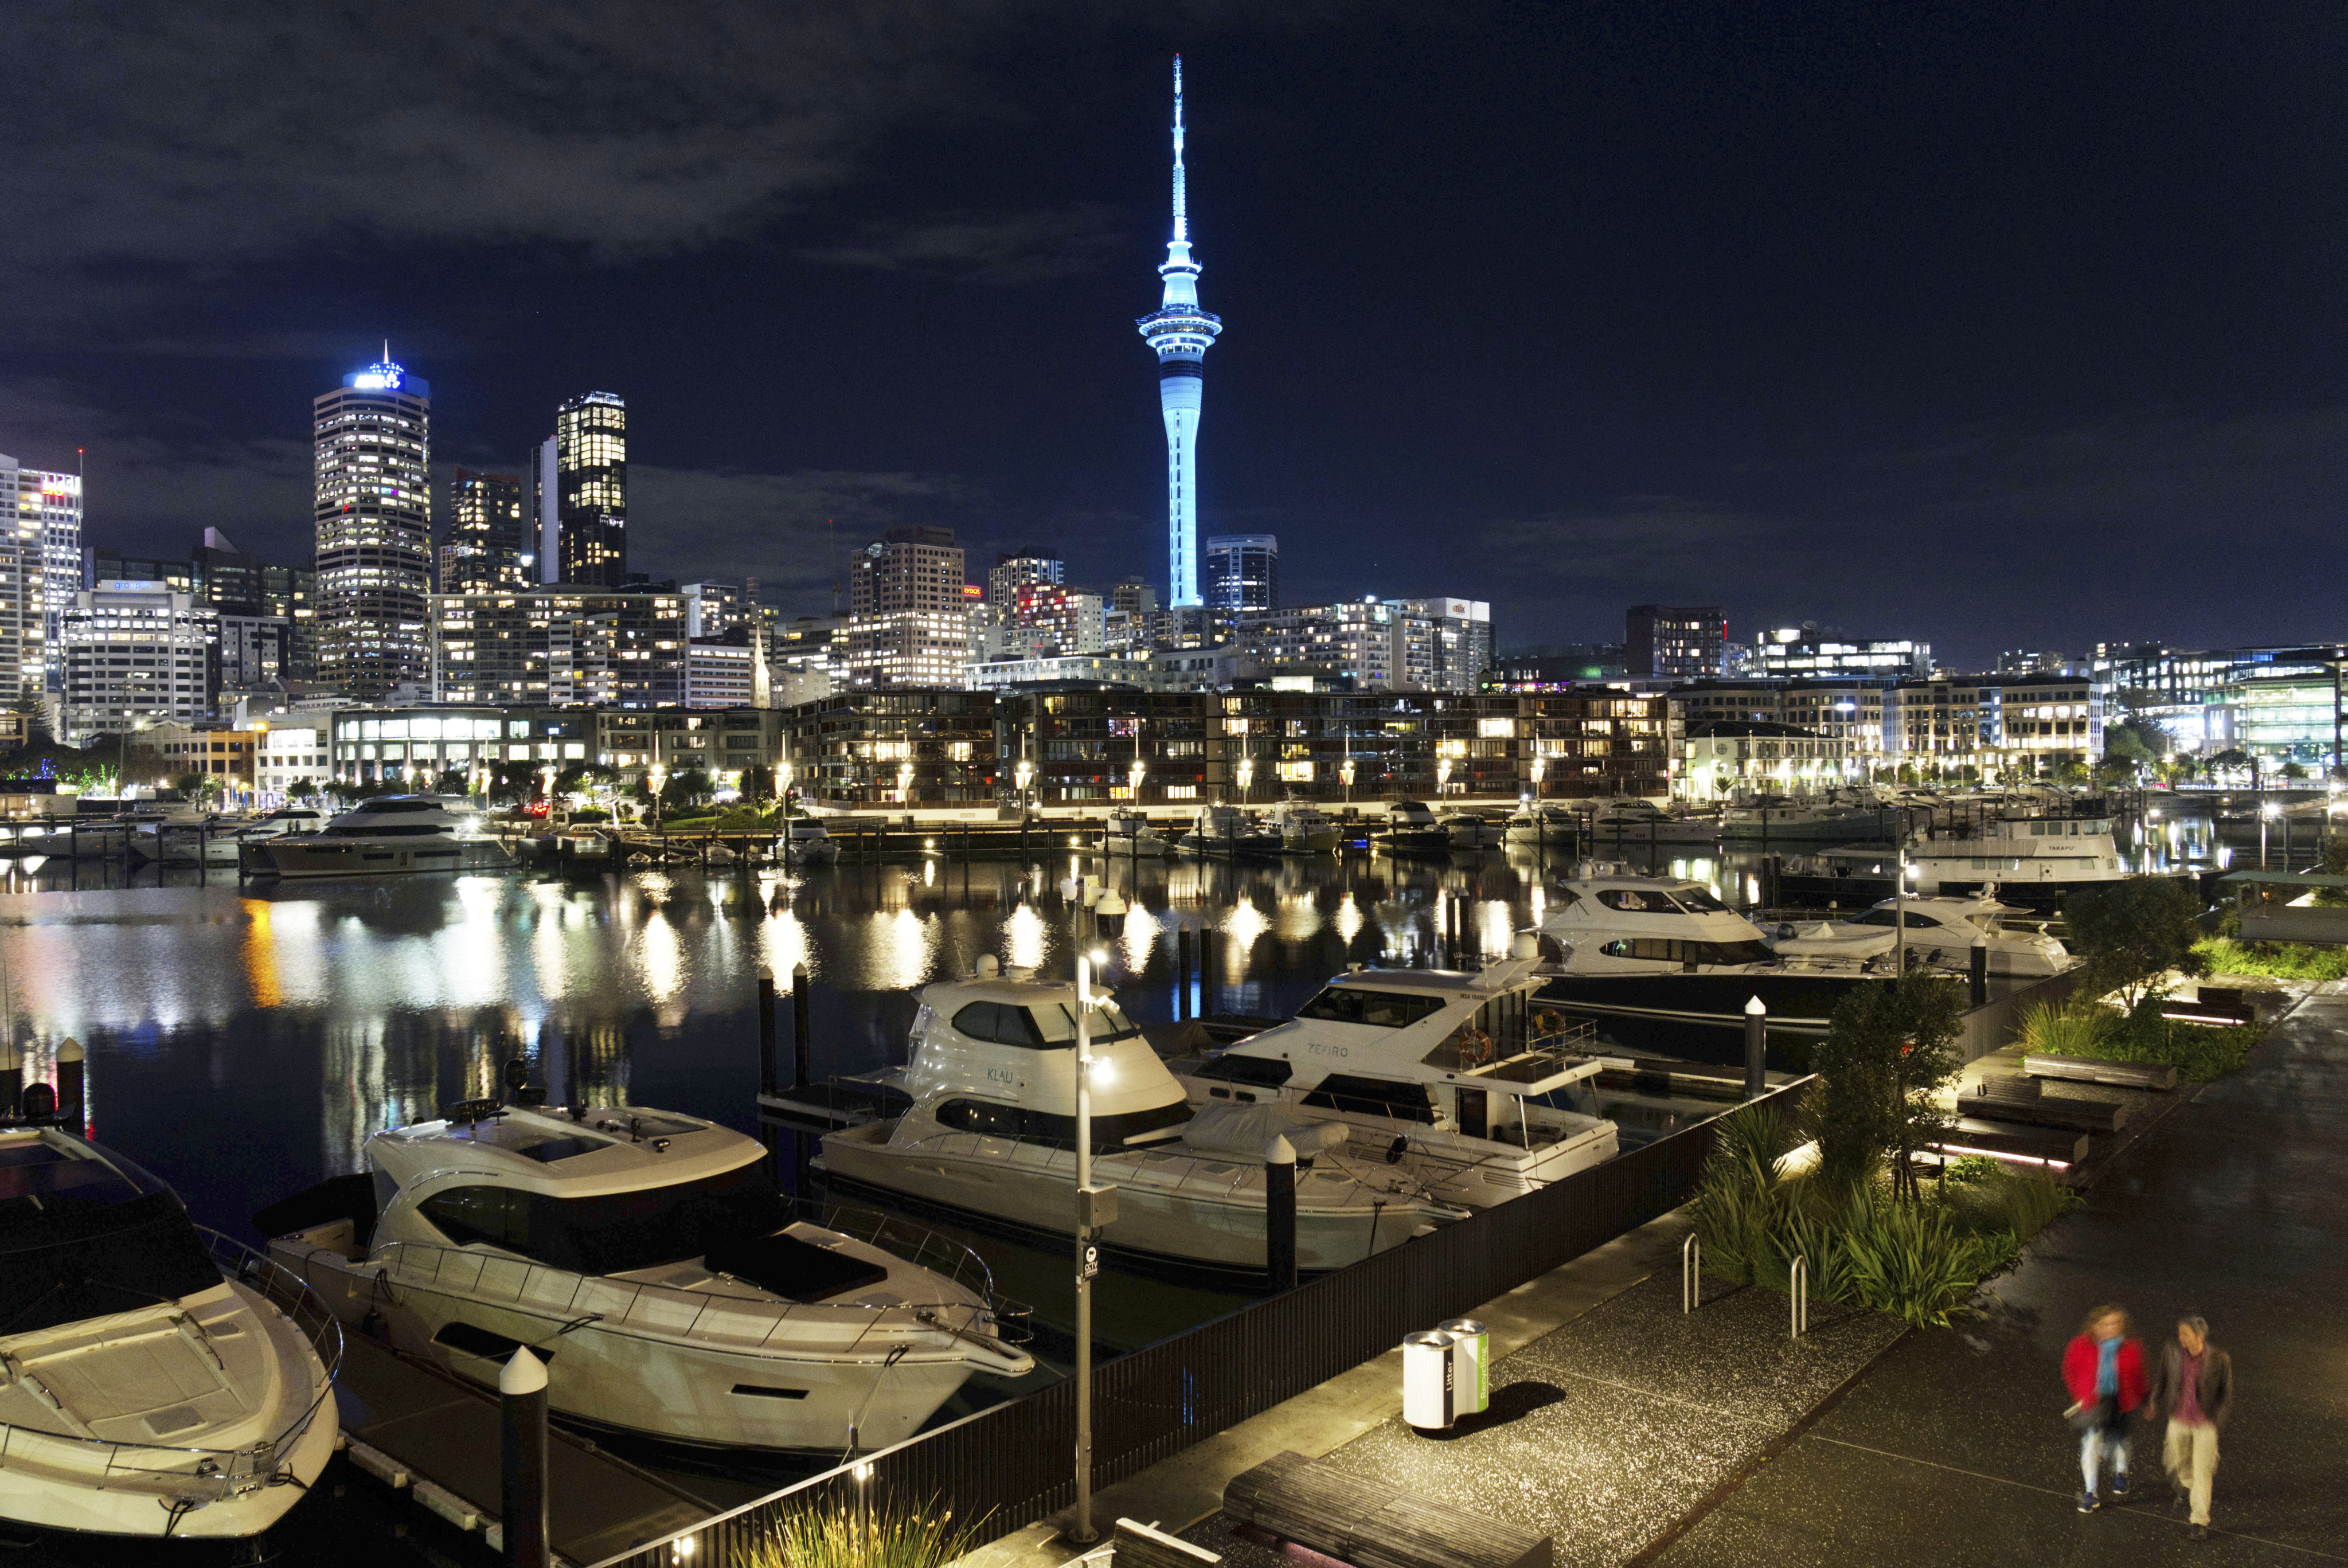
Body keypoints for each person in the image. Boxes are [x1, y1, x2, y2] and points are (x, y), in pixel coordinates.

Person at [2145, 1313, 2233, 1538]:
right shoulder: (2172, 1353)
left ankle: (2199, 1521)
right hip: (2179, 1419)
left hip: (2205, 1423)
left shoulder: (2220, 1359)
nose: (2180, 1337)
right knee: (2176, 1461)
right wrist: (2154, 1400)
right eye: (2179, 1333)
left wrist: (2217, 1422)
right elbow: (2163, 1379)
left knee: (2203, 1471)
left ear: (2199, 1336)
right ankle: (2187, 1484)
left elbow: (2226, 1394)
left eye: (2185, 1333)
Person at [2062, 1304, 2147, 1511]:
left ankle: (2121, 1471)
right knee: (2091, 1445)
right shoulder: (2080, 1345)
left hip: (2121, 1402)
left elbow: (2139, 1376)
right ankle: (2091, 1492)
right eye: (2106, 1323)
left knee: (2120, 1443)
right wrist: (2080, 1394)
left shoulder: (2132, 1347)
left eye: (2116, 1323)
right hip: (2094, 1402)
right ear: (2096, 1324)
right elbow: (2069, 1370)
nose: (2112, 1327)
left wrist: (2145, 1399)